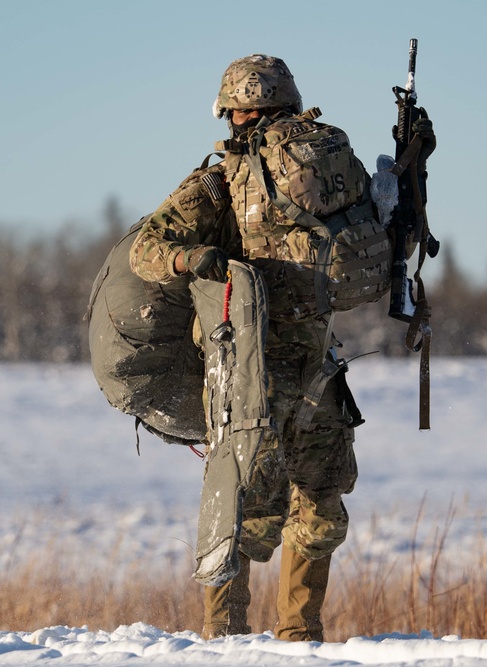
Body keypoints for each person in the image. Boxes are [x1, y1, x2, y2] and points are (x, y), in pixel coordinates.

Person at [130, 54, 382, 643]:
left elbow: (147, 249)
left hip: (251, 371)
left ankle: (227, 637)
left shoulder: (223, 179)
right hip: (316, 365)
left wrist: (187, 258)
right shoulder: (335, 167)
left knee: (241, 498)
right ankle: (298, 636)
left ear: (240, 110)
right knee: (316, 501)